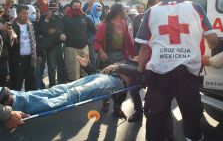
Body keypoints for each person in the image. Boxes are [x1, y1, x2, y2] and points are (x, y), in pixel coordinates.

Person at [135, 0, 218, 141]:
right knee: (192, 118)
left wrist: (140, 71)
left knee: (155, 120)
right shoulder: (196, 8)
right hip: (188, 74)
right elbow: (213, 41)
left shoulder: (151, 11)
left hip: (159, 75)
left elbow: (144, 48)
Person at [0, 54, 143, 128]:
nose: (136, 55)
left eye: (139, 55)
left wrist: (119, 67)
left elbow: (140, 74)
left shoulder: (141, 68)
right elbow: (101, 73)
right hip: (102, 76)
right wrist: (88, 67)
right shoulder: (127, 64)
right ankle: (16, 97)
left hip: (114, 82)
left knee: (74, 94)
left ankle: (18, 105)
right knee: (58, 89)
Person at [93, 3, 136, 112]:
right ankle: (106, 101)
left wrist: (134, 54)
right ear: (119, 12)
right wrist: (101, 52)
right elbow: (96, 42)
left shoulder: (124, 23)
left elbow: (129, 41)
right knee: (107, 83)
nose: (126, 13)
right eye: (124, 11)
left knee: (123, 83)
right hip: (109, 58)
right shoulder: (105, 25)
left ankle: (117, 105)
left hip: (123, 57)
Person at [129, 0, 163, 123]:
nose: (161, 7)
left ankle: (163, 125)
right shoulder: (138, 18)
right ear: (149, 5)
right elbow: (136, 40)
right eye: (157, 4)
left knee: (158, 94)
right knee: (134, 88)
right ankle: (138, 112)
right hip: (142, 60)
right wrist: (137, 56)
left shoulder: (164, 17)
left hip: (158, 62)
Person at [60, 0, 97, 81]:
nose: (77, 8)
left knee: (85, 71)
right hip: (71, 49)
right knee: (73, 72)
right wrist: (61, 34)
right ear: (71, 7)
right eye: (75, 6)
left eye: (79, 6)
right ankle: (74, 90)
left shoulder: (85, 16)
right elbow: (60, 29)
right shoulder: (65, 18)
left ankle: (84, 90)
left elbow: (94, 30)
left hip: (84, 48)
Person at [9, 5, 37, 91]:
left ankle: (29, 103)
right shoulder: (11, 26)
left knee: (30, 84)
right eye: (23, 13)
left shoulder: (30, 25)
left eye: (27, 13)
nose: (26, 15)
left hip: (30, 59)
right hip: (17, 60)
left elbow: (34, 41)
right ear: (17, 14)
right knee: (17, 85)